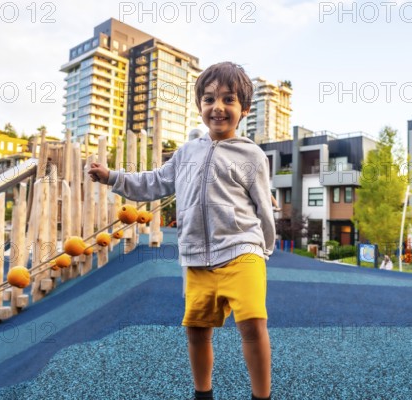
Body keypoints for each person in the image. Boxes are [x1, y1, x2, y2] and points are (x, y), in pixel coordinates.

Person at [89, 61, 275, 400]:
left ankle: (261, 396)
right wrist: (113, 177)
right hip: (196, 257)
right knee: (196, 331)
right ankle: (202, 394)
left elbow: (263, 204)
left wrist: (265, 248)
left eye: (229, 99)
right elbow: (155, 182)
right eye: (209, 99)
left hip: (242, 251)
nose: (218, 106)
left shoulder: (252, 155)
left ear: (244, 109)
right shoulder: (187, 152)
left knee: (252, 324)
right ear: (200, 107)